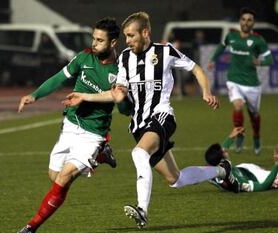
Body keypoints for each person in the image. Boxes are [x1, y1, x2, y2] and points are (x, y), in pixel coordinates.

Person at [63, 11, 239, 229]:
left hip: (162, 116)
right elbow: (117, 92)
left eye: (131, 36)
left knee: (139, 153)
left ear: (145, 33)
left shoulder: (165, 52)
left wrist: (206, 91)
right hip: (139, 125)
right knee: (176, 179)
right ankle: (223, 171)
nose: (127, 41)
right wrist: (85, 96)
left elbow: (196, 69)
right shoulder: (125, 58)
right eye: (125, 36)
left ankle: (142, 210)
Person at [16, 18, 120, 233]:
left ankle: (31, 227)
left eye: (100, 40)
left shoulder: (121, 70)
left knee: (63, 178)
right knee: (54, 177)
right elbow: (58, 78)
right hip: (70, 125)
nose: (94, 43)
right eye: (94, 38)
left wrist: (116, 97)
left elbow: (126, 108)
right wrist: (35, 95)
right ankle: (102, 155)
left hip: (93, 134)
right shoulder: (84, 57)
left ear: (113, 43)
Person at [207, 7, 273, 154]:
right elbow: (221, 47)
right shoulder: (231, 36)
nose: (246, 22)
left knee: (254, 114)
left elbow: (270, 58)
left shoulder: (258, 40)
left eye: (249, 20)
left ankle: (256, 137)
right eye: (243, 19)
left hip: (252, 84)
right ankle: (239, 136)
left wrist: (260, 62)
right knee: (238, 106)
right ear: (239, 21)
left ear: (253, 23)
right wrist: (212, 59)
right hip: (234, 80)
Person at [205, 127, 278, 192]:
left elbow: (222, 150)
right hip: (259, 178)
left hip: (244, 169)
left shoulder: (218, 166)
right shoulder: (240, 182)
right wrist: (276, 164)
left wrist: (231, 136)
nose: (224, 150)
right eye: (223, 153)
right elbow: (263, 186)